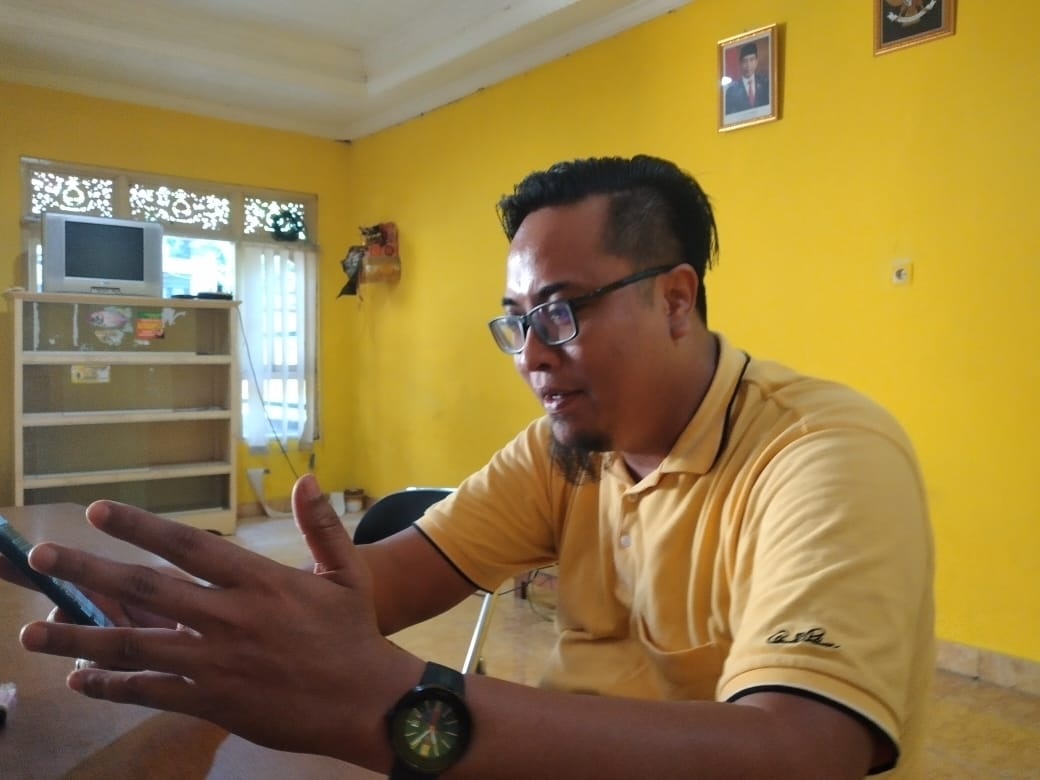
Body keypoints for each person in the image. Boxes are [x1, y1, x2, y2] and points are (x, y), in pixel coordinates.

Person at [6, 155, 933, 778]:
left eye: (560, 311)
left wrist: (405, 706)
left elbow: (801, 749)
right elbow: (377, 586)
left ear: (676, 299)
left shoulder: (822, 455)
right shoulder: (564, 452)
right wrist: (199, 613)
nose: (532, 355)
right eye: (517, 322)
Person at [725, 41, 770, 114]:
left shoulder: (766, 83)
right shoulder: (732, 91)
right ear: (740, 64)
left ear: (756, 61)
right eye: (744, 61)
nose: (748, 65)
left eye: (751, 60)